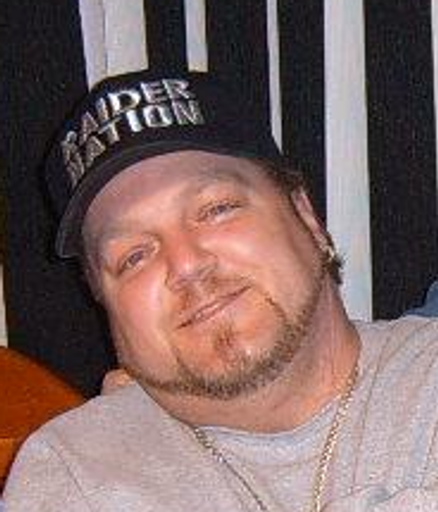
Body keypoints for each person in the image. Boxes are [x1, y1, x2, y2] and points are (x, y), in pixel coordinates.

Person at [4, 69, 438, 512]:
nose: (186, 264)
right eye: (134, 256)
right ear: (103, 303)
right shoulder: (74, 470)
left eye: (216, 209)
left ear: (306, 216)